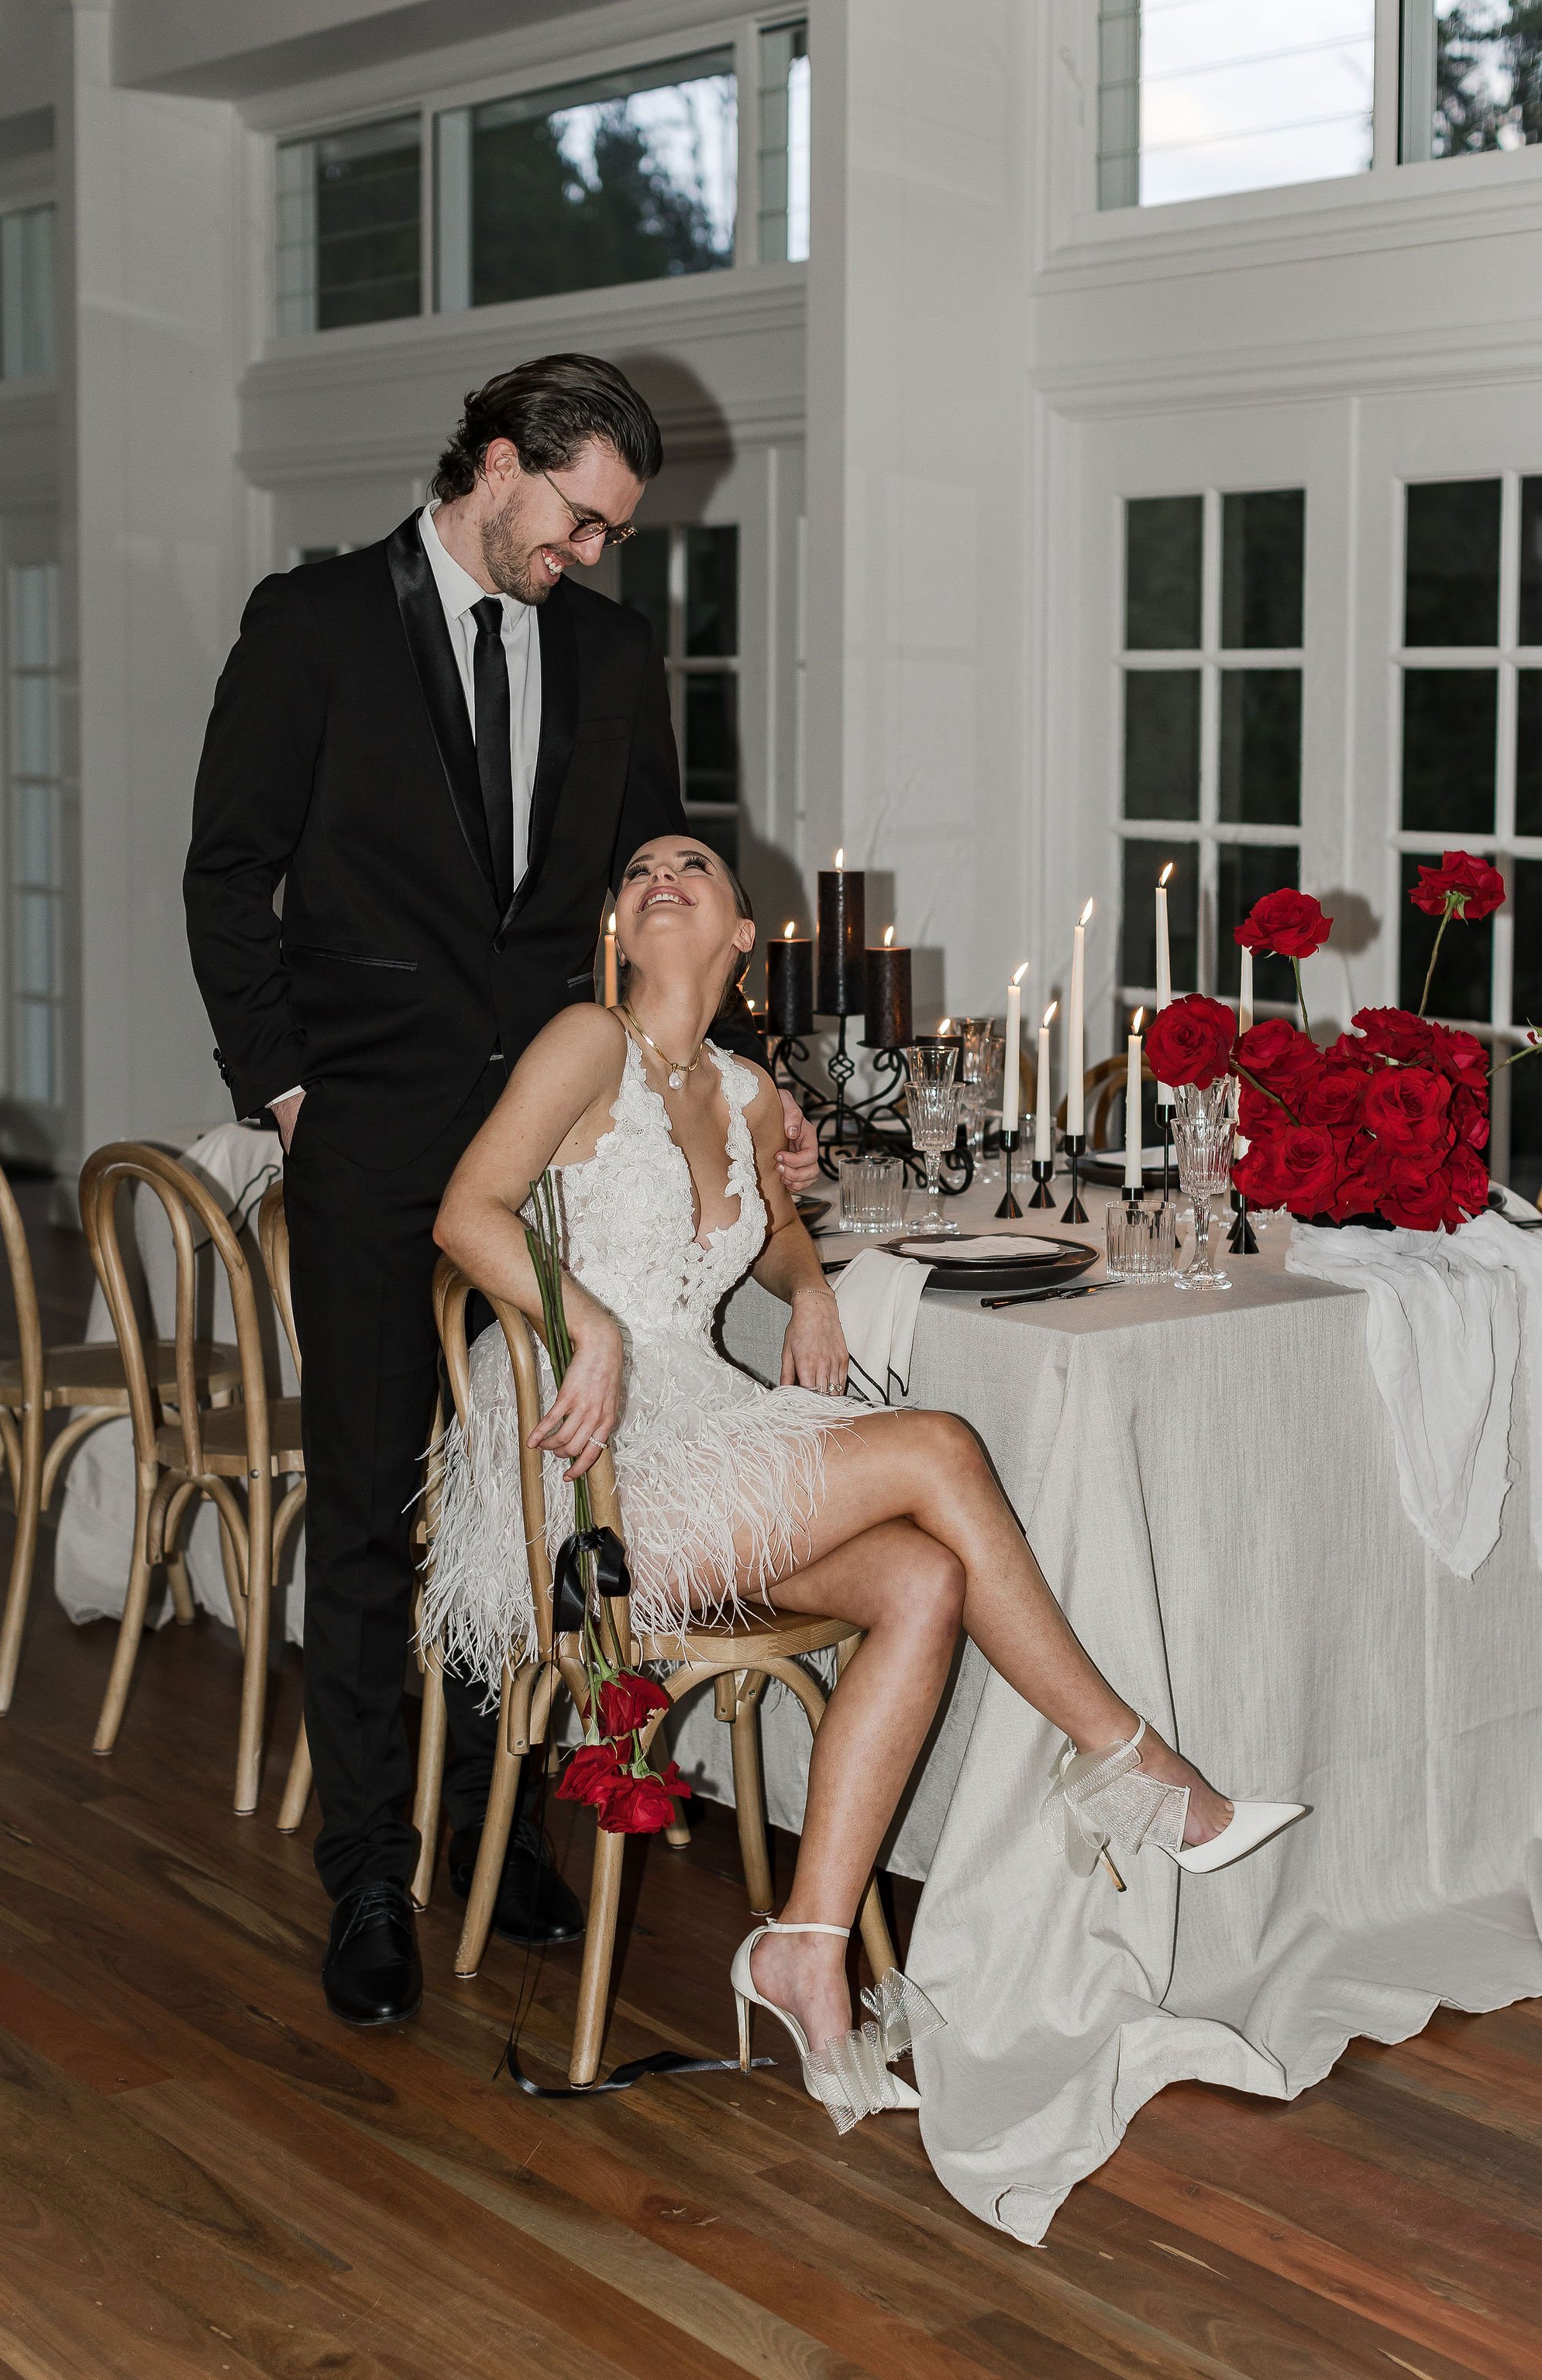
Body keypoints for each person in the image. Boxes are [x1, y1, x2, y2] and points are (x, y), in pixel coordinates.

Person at [427, 831, 1306, 2131]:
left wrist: (813, 1292)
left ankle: (808, 1945)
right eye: (639, 871)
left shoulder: (744, 1090)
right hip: (592, 1471)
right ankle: (1132, 1764)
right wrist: (585, 1321)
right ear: (618, 925)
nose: (661, 875)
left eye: (694, 866)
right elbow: (467, 1211)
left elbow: (774, 1239)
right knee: (939, 1446)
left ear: (742, 933)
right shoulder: (587, 1042)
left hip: (704, 1430)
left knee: (925, 1578)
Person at [184, 355, 819, 2030]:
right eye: (579, 519)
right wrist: (290, 1092)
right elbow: (228, 873)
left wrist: (747, 1097)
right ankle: (366, 1877)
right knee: (371, 1501)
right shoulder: (313, 624)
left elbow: (664, 903)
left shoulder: (609, 656)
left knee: (524, 1500)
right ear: (493, 463)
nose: (592, 554)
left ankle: (492, 1832)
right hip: (374, 1137)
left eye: (611, 530)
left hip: (560, 1142)